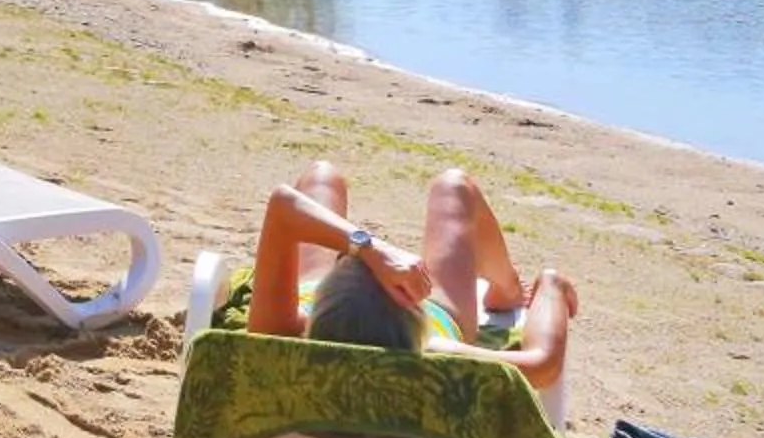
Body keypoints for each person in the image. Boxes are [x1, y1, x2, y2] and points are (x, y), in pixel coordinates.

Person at [244, 159, 579, 387]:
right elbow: (544, 363)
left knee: (322, 174)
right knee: (454, 186)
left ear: (321, 307)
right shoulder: (437, 353)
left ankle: (505, 285)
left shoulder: (278, 336)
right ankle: (506, 287)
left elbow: (283, 205)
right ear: (416, 312)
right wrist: (553, 285)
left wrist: (368, 248)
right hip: (431, 326)